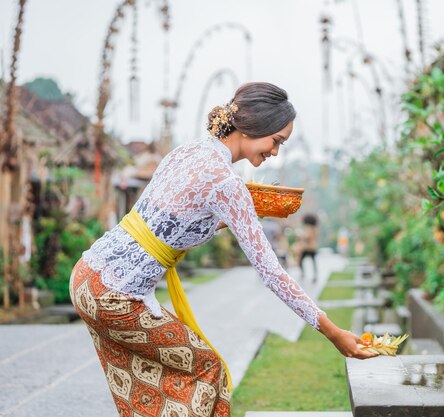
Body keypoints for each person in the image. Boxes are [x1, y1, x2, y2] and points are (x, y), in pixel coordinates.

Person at [69, 82, 376, 417]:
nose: (276, 152)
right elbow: (272, 274)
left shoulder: (188, 152)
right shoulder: (227, 183)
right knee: (206, 369)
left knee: (147, 386)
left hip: (87, 277)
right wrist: (333, 334)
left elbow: (170, 224)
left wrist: (243, 213)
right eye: (276, 141)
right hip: (114, 295)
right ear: (254, 126)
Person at [298, 213, 319, 282]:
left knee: (301, 260)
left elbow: (307, 237)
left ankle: (303, 273)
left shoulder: (309, 228)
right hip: (313, 248)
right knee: (313, 261)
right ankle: (315, 275)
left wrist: (301, 235)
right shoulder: (315, 228)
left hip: (307, 248)